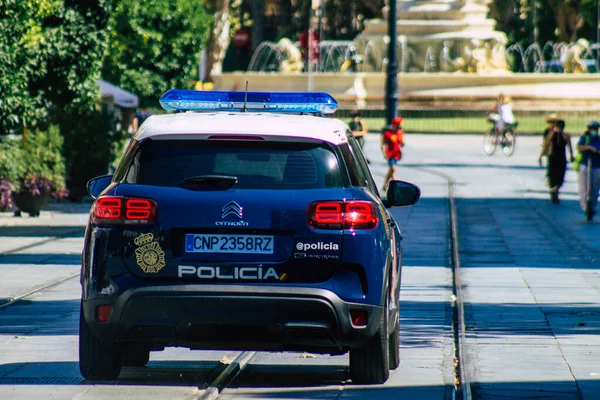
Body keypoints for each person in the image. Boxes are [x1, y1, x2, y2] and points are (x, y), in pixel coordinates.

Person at [538, 120, 574, 204]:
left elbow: (545, 146)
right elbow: (570, 147)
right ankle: (556, 190)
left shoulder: (550, 134)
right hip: (561, 158)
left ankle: (553, 189)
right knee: (560, 176)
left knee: (552, 175)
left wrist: (540, 156)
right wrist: (571, 156)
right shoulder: (566, 135)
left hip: (552, 157)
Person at [576, 120, 600, 217]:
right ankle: (585, 206)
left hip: (597, 166)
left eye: (595, 129)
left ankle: (592, 207)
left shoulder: (599, 139)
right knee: (584, 187)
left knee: (595, 187)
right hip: (585, 165)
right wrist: (589, 148)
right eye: (591, 129)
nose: (593, 130)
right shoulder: (584, 138)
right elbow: (579, 147)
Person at [381, 117, 405, 192]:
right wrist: (384, 152)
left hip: (396, 154)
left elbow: (402, 143)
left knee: (390, 171)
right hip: (390, 154)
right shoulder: (387, 133)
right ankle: (396, 185)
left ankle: (385, 185)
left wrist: (402, 141)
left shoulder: (399, 133)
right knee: (393, 169)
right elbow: (383, 144)